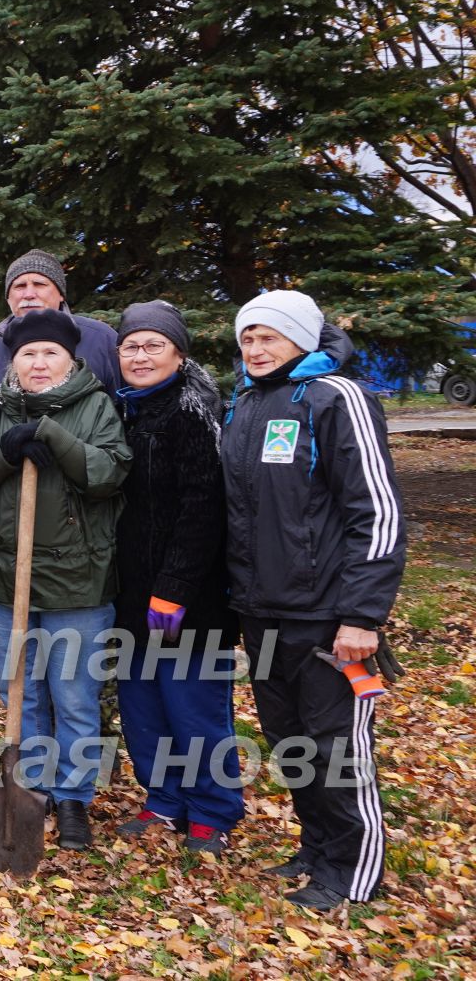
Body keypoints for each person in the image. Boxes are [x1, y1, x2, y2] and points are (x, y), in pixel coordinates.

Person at [224, 289, 403, 909]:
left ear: (303, 338)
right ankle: (318, 847)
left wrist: (362, 615)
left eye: (269, 336)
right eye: (248, 338)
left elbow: (374, 512)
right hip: (264, 612)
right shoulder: (246, 405)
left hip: (330, 619)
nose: (256, 348)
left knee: (337, 748)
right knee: (292, 741)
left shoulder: (337, 399)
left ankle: (354, 873)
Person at [0, 308, 130, 850]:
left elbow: (108, 473)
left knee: (74, 696)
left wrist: (54, 436)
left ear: (70, 359)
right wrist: (6, 455)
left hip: (79, 582)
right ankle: (31, 789)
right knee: (21, 694)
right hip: (12, 583)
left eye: (49, 352)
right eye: (28, 353)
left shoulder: (96, 407)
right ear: (14, 361)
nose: (38, 362)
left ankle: (73, 797)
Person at [109, 301, 245, 855]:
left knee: (193, 705)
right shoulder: (128, 410)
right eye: (130, 347)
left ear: (178, 353)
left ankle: (212, 807)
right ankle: (163, 798)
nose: (140, 356)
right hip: (133, 593)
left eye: (152, 346)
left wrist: (177, 587)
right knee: (143, 706)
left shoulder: (191, 410)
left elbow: (203, 507)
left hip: (188, 597)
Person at [0, 250, 124, 400]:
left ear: (61, 294)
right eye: (19, 286)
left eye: (39, 284)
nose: (29, 294)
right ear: (8, 298)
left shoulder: (101, 340)